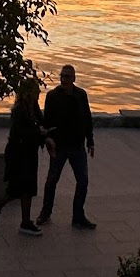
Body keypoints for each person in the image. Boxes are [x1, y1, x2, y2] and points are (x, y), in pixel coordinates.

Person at [38, 63, 96, 229]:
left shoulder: (81, 95)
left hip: (77, 146)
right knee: (52, 180)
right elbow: (47, 121)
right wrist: (48, 141)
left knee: (83, 181)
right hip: (60, 146)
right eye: (62, 76)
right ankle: (45, 212)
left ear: (74, 78)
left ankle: (78, 216)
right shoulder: (52, 96)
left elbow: (87, 118)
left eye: (67, 77)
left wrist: (90, 140)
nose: (64, 79)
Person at [0, 76, 47, 236]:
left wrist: (45, 132)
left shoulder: (33, 107)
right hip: (19, 153)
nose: (38, 94)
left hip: (30, 152)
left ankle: (18, 217)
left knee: (25, 188)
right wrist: (39, 132)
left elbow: (41, 122)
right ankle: (23, 221)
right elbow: (21, 133)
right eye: (36, 91)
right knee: (19, 188)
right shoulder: (19, 111)